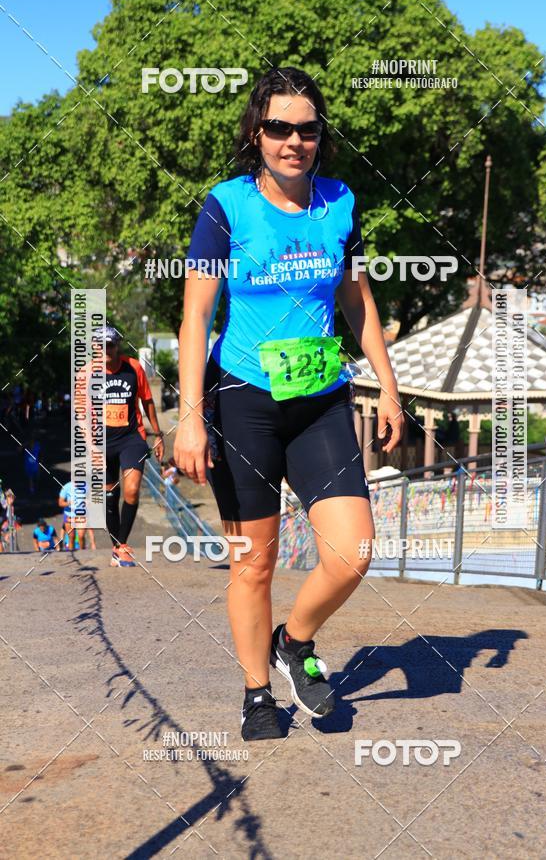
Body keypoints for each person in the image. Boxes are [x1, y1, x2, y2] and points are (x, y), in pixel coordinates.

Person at [174, 67, 404, 742]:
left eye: (307, 128)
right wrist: (190, 415)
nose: (293, 141)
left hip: (320, 400)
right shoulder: (226, 207)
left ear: (318, 136)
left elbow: (357, 299)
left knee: (354, 549)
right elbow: (195, 316)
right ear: (257, 133)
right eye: (279, 127)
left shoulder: (340, 202)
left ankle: (294, 640)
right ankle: (255, 694)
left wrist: (386, 384)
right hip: (241, 400)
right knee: (254, 562)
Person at [90, 325, 164, 567]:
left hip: (132, 438)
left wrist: (158, 434)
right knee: (110, 496)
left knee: (131, 490)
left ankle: (122, 545)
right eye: (101, 346)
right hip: (102, 442)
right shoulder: (87, 373)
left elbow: (148, 400)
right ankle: (116, 547)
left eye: (110, 345)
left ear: (117, 345)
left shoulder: (133, 367)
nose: (106, 350)